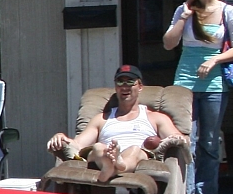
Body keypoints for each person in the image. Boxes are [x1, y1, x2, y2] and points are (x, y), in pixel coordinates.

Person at [163, 0, 233, 194]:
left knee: (209, 141)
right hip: (185, 80)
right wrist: (184, 18)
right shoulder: (183, 9)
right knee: (188, 140)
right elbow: (168, 43)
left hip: (214, 83)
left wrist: (215, 60)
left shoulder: (228, 11)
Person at [45, 66, 186, 183]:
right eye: (120, 82)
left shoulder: (155, 118)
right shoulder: (101, 119)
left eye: (130, 81)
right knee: (99, 147)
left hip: (135, 154)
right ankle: (110, 164)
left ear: (140, 86)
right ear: (116, 87)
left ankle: (116, 166)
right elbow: (78, 144)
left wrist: (167, 140)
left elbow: (180, 139)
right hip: (105, 155)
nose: (124, 86)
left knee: (135, 150)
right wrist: (61, 137)